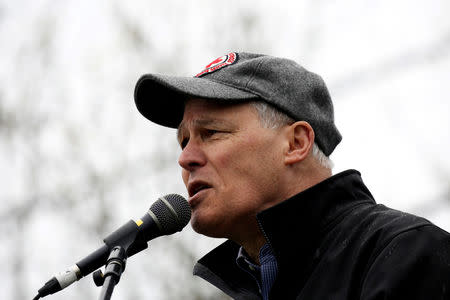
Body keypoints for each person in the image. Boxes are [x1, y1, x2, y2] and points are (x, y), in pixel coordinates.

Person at [133, 52, 450, 299]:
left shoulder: (406, 255)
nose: (185, 158)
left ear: (296, 143)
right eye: (184, 141)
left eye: (211, 133)